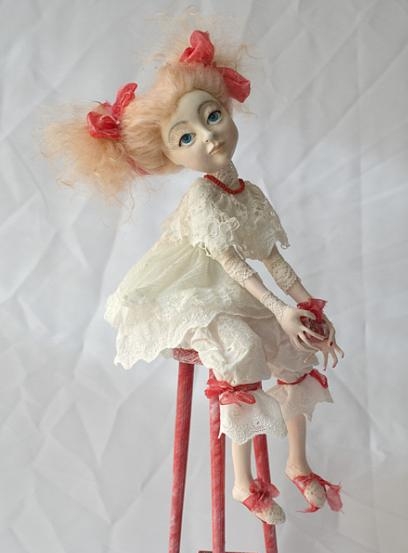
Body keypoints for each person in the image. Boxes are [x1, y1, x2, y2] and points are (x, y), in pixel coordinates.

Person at [45, 30, 344, 525]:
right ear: (171, 157)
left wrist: (306, 305)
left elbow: (270, 257)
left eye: (212, 116)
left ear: (226, 109)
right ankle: (243, 483)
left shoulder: (250, 194)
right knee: (241, 350)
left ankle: (298, 462)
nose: (208, 137)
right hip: (198, 291)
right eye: (185, 138)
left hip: (240, 291)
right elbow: (231, 263)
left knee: (297, 348)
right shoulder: (203, 197)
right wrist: (279, 309)